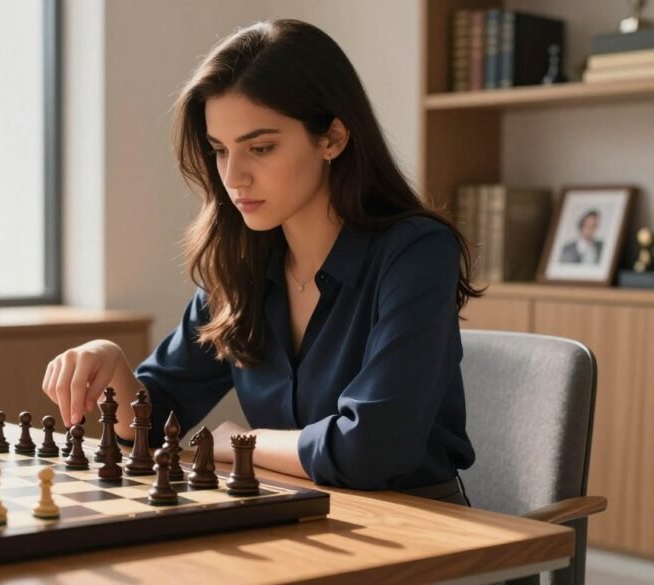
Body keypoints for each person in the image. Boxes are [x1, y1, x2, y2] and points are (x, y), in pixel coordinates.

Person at [40, 19, 482, 505]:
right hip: (293, 515)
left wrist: (243, 442)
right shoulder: (240, 264)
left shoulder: (416, 252)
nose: (233, 177)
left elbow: (373, 449)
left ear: (332, 138)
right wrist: (112, 365)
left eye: (261, 148)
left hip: (422, 531)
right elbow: (155, 416)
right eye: (219, 151)